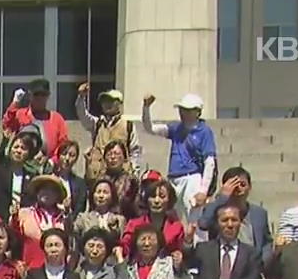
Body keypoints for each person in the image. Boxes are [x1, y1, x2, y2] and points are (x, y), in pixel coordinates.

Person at [142, 93, 216, 223]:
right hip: (173, 179)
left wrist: (203, 191)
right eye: (182, 109)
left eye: (188, 110)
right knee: (173, 219)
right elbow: (150, 129)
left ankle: (198, 244)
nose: (183, 113)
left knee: (194, 219)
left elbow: (209, 162)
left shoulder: (204, 131)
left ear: (197, 112)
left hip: (192, 177)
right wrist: (146, 108)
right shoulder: (176, 128)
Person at [195, 168, 271, 257]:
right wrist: (222, 197)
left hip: (252, 263)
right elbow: (203, 224)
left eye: (242, 184)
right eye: (233, 185)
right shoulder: (216, 209)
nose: (238, 188)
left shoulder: (259, 213)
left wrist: (263, 261)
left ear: (249, 187)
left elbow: (266, 241)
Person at [77, 84, 141, 180]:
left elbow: (135, 151)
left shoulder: (128, 125)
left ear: (119, 103)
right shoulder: (97, 123)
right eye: (104, 101)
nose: (107, 104)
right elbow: (83, 115)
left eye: (111, 101)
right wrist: (81, 97)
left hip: (121, 177)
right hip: (98, 176)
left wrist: (134, 173)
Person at [2, 79, 69, 158]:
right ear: (30, 95)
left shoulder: (57, 118)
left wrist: (53, 160)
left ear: (48, 96)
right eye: (36, 94)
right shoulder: (21, 114)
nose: (39, 98)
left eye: (43, 94)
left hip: (48, 163)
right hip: (23, 162)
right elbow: (7, 126)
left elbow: (63, 144)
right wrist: (15, 103)